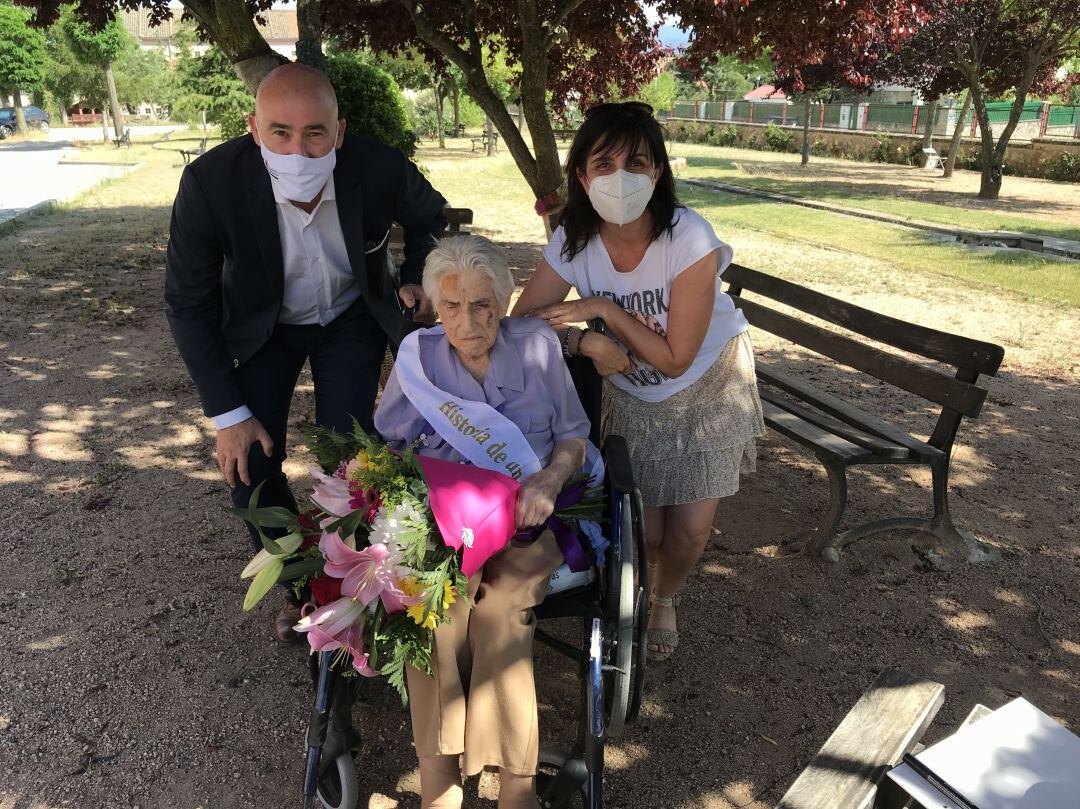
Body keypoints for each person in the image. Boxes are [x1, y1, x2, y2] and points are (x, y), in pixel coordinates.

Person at [164, 63, 448, 642]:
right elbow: (187, 305)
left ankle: (351, 584)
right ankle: (297, 586)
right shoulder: (210, 183)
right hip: (263, 328)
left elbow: (430, 216)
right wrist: (227, 414)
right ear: (254, 128)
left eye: (315, 132)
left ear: (339, 132)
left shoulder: (376, 165)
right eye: (281, 133)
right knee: (249, 461)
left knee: (350, 460)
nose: (299, 149)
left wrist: (418, 276)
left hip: (350, 317)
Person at [513, 101, 764, 662]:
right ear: (581, 175)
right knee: (645, 529)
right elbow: (519, 323)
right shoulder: (574, 242)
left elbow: (675, 359)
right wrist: (585, 342)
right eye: (603, 164)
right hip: (632, 394)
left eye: (637, 163)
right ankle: (647, 582)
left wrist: (603, 308)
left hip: (707, 385)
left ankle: (666, 598)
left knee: (691, 530)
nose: (620, 178)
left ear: (658, 174)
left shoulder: (687, 238)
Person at [375, 235, 590, 809]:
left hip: (531, 517)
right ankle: (440, 782)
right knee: (436, 606)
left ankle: (516, 786)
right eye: (451, 307)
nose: (467, 322)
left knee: (499, 610)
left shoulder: (539, 347)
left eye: (481, 306)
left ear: (502, 301)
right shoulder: (417, 358)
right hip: (449, 523)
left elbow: (573, 435)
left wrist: (548, 479)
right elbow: (389, 445)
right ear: (434, 308)